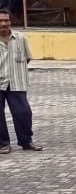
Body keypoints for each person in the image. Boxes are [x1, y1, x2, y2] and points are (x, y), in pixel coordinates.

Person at [0, 8, 42, 154]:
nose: (3, 23)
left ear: (10, 22)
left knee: (23, 112)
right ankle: (3, 144)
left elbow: (27, 58)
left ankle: (26, 141)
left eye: (6, 20)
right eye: (0, 21)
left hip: (17, 82)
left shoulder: (20, 38)